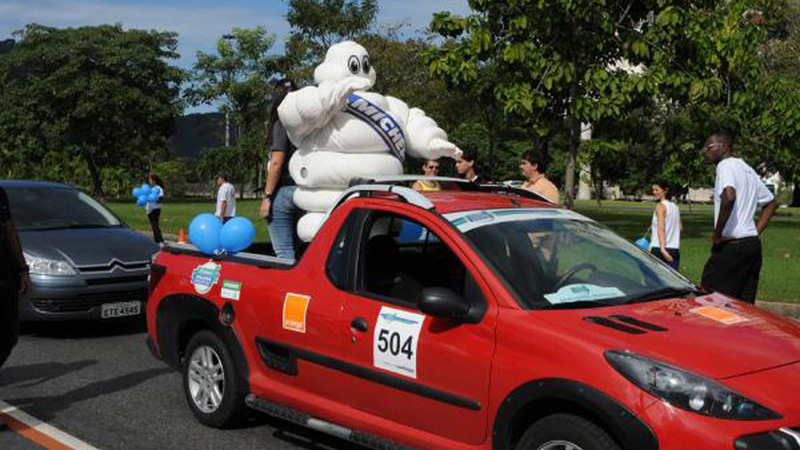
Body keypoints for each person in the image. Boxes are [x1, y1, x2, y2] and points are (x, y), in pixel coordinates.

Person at [700, 131, 779, 304]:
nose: (705, 151)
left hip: (732, 247)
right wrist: (753, 233)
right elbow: (771, 204)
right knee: (744, 306)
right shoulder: (747, 169)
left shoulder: (725, 165)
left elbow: (729, 196)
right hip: (752, 246)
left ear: (725, 147)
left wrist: (717, 235)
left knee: (710, 300)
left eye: (709, 147)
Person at [260, 79, 302, 259]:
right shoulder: (308, 124)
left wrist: (267, 196)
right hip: (306, 192)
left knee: (284, 251)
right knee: (303, 250)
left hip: (284, 191)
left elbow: (277, 162)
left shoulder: (282, 123)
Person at [0, 186, 29, 368]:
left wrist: (22, 269)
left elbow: (10, 230)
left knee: (9, 336)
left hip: (5, 274)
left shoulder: (0, 193)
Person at [649, 181, 682, 270]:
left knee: (654, 281)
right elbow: (680, 228)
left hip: (659, 249)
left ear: (665, 190)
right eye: (653, 190)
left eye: (657, 190)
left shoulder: (660, 206)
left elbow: (661, 228)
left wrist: (663, 250)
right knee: (673, 281)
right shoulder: (675, 207)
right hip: (674, 249)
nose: (654, 192)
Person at [146, 174, 165, 244]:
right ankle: (156, 239)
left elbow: (160, 199)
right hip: (149, 209)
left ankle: (160, 240)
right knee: (153, 225)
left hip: (155, 208)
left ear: (154, 181)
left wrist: (152, 199)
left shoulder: (158, 188)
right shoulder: (150, 188)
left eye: (150, 180)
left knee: (155, 225)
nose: (149, 181)